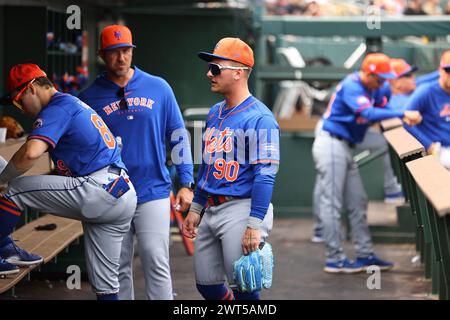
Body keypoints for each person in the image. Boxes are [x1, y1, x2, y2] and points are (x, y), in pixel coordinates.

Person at [0, 63, 137, 299]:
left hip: (99, 189)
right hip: (121, 193)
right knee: (107, 287)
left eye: (18, 100)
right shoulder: (71, 103)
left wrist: (2, 180)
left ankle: (2, 247)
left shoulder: (57, 107)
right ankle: (5, 247)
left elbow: (30, 153)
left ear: (32, 89)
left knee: (14, 190)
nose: (20, 109)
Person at [78, 25, 194, 300]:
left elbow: (178, 136)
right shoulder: (87, 98)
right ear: (101, 55)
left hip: (152, 188)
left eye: (126, 51)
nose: (121, 57)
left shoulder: (158, 87)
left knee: (156, 259)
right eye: (114, 52)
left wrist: (187, 182)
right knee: (118, 267)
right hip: (110, 193)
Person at [182, 37, 280, 300]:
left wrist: (254, 224)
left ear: (238, 72)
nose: (208, 73)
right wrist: (196, 207)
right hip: (211, 208)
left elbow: (266, 175)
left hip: (241, 207)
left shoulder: (260, 118)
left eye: (215, 68)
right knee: (207, 285)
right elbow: (208, 166)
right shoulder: (215, 112)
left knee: (245, 288)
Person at [312, 53, 422, 273]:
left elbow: (390, 92)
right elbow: (368, 112)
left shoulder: (375, 87)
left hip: (345, 144)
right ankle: (334, 258)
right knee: (332, 203)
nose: (382, 83)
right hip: (331, 142)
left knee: (358, 201)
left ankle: (364, 254)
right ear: (368, 73)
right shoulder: (352, 85)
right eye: (379, 78)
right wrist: (403, 113)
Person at [404, 50, 450, 169]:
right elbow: (405, 120)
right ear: (440, 70)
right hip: (440, 149)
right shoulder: (426, 91)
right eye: (448, 70)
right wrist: (428, 144)